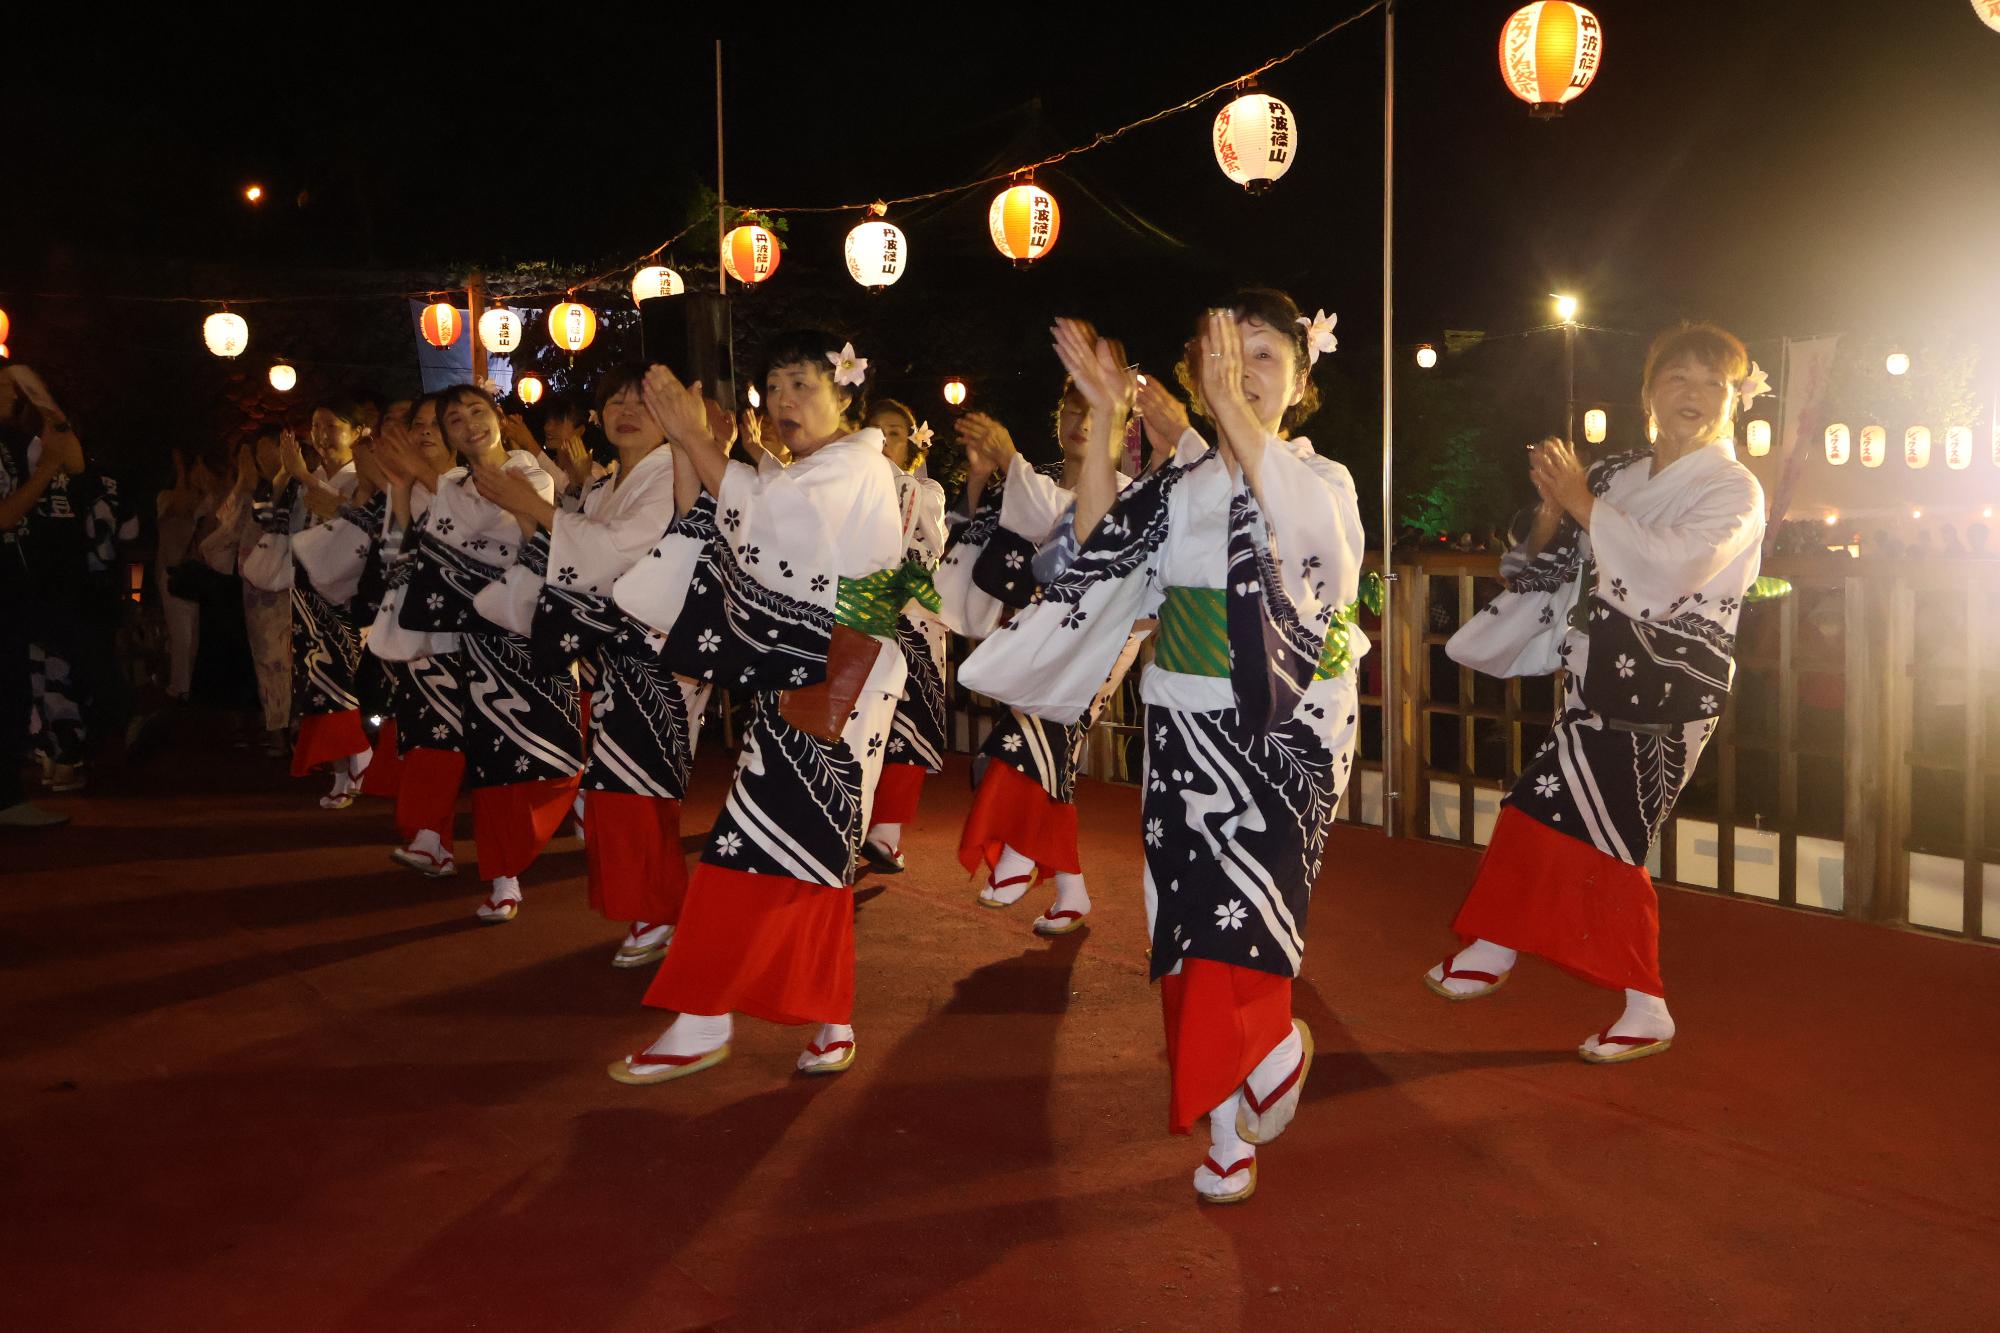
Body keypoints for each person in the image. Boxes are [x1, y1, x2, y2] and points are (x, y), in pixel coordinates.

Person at [959, 292, 1368, 1205]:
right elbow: (1098, 554)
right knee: (1183, 929)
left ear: (1302, 385)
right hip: (1183, 726)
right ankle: (1230, 1118)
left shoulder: (1322, 478)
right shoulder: (1178, 487)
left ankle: (1259, 1060)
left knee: (1244, 918)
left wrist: (1228, 418)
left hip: (1282, 733)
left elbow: (1325, 564)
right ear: (1190, 370)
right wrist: (1106, 417)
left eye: (1266, 356)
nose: (1245, 371)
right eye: (1228, 355)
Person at [1427, 322, 1767, 1065]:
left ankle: (1531, 958)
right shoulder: (1615, 474)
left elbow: (1677, 568)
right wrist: (1557, 508)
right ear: (1649, 393)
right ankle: (1598, 984)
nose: (1693, 394)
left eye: (1713, 384)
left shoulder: (1733, 487)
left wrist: (1583, 502)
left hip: (1668, 688)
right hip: (1595, 674)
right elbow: (1541, 563)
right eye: (1677, 377)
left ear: (1734, 402)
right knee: (1580, 825)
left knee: (1574, 823)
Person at [606, 331, 905, 1085]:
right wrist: (690, 447)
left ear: (846, 397)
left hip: (836, 675)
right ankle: (831, 1019)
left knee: (748, 843)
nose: (784, 403)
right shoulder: (801, 472)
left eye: (803, 386)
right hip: (815, 672)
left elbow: (766, 521)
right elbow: (718, 519)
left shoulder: (851, 463)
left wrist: (696, 439)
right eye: (773, 389)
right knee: (809, 846)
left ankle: (704, 1015)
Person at [474, 366, 705, 966]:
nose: (626, 411)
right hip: (612, 653)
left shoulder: (670, 475)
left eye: (643, 403)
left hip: (657, 653)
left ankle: (658, 909)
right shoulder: (604, 484)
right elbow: (577, 551)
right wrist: (535, 518)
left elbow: (625, 547)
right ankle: (652, 906)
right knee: (616, 785)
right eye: (616, 400)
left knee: (638, 783)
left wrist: (539, 510)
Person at [936, 385, 1142, 935]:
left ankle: (1021, 853)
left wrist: (1011, 462)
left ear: (1122, 431)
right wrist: (983, 475)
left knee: (1024, 738)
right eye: (1071, 410)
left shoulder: (1128, 494)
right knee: (1049, 757)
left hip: (1094, 646)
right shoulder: (1040, 486)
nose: (1081, 422)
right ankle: (1070, 889)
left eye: (1097, 415)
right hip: (1037, 641)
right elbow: (969, 545)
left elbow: (1070, 525)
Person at [371, 384, 579, 921]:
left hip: (525, 634)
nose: (469, 425)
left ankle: (574, 809)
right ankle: (503, 878)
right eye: (456, 420)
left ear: (497, 419)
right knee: (493, 762)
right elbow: (418, 556)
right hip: (471, 641)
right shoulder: (451, 483)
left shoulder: (527, 472)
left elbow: (527, 541)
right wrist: (404, 485)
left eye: (477, 413)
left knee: (551, 751)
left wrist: (511, 505)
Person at [242, 399, 372, 807]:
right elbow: (267, 519)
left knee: (347, 683)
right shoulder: (303, 476)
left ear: (355, 433)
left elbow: (360, 523)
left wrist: (303, 478)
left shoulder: (363, 477)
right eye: (315, 426)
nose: (321, 434)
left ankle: (359, 756)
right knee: (316, 684)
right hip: (307, 595)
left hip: (351, 595)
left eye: (332, 425)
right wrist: (284, 475)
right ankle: (339, 767)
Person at [858, 398, 948, 873]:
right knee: (866, 721)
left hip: (911, 619)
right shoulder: (853, 485)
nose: (884, 439)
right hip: (867, 616)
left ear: (913, 442)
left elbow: (926, 543)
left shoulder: (924, 489)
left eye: (895, 431)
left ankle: (886, 829)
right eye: (875, 429)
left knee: (909, 723)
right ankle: (868, 825)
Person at [0, 367, 87, 828]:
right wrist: (47, 468)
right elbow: (4, 517)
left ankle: (9, 797)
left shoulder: (12, 441)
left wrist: (50, 408)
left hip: (15, 583)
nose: (12, 394)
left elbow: (74, 461)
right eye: (3, 387)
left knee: (14, 689)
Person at [204, 433, 294, 754]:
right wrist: (243, 481)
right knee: (269, 659)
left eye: (268, 448)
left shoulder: (298, 483)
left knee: (295, 657)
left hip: (296, 582)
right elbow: (223, 527)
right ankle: (277, 730)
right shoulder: (252, 491)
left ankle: (297, 729)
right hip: (260, 586)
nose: (263, 456)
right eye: (257, 452)